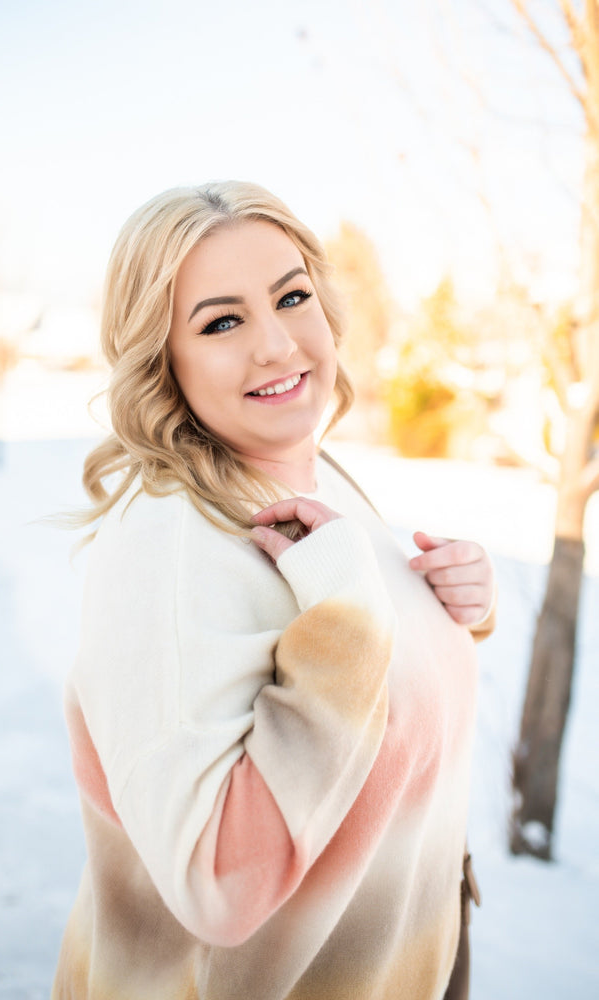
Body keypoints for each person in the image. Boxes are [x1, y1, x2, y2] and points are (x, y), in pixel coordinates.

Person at [52, 181, 495, 1000]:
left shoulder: (311, 478)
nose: (278, 344)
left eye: (292, 297)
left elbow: (371, 682)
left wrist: (450, 607)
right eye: (221, 322)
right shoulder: (170, 544)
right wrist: (353, 622)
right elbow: (217, 885)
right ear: (161, 357)